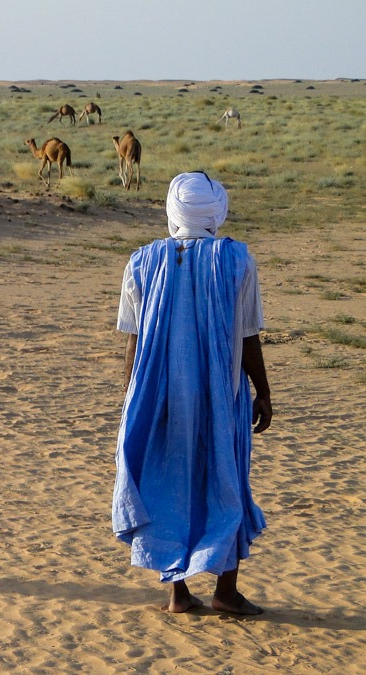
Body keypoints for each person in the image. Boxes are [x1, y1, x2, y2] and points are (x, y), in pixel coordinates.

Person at [112, 171, 273, 615]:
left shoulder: (142, 262)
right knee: (226, 476)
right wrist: (263, 392)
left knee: (171, 477)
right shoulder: (237, 260)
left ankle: (178, 593)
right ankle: (225, 590)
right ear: (215, 211)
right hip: (222, 391)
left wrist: (130, 398)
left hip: (162, 393)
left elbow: (134, 339)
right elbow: (247, 336)